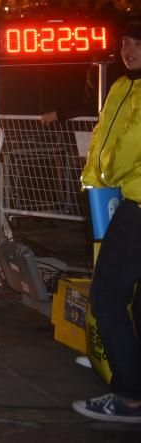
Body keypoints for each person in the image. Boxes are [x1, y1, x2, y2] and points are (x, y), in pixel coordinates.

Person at [74, 21, 141, 423]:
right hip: (124, 196)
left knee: (107, 292)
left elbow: (130, 144)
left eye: (138, 43)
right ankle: (128, 366)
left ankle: (129, 394)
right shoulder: (121, 85)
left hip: (136, 203)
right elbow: (102, 134)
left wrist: (105, 175)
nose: (128, 50)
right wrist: (93, 178)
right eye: (125, 42)